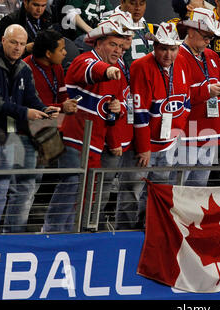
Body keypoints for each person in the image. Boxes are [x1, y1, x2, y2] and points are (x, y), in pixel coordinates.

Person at [43, 16, 134, 232]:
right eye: (113, 44)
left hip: (95, 144)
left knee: (87, 194)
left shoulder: (117, 68)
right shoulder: (84, 59)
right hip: (75, 141)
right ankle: (50, 233)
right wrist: (107, 72)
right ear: (98, 42)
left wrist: (118, 110)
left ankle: (71, 236)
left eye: (121, 47)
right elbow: (92, 70)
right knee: (72, 186)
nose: (118, 50)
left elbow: (110, 108)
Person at [115, 22, 191, 230]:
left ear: (178, 48)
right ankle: (125, 232)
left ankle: (150, 228)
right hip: (144, 144)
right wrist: (144, 147)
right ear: (154, 47)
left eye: (172, 49)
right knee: (131, 188)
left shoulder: (183, 62)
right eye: (163, 48)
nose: (168, 54)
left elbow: (187, 101)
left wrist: (177, 134)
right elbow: (139, 113)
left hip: (168, 143)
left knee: (159, 189)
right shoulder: (141, 66)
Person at [0, 24, 60, 233]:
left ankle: (9, 237)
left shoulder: (24, 68)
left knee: (10, 188)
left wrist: (44, 109)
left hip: (11, 135)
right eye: (13, 42)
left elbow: (32, 98)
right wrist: (26, 113)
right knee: (0, 188)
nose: (17, 47)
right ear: (3, 41)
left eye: (22, 44)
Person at [176, 7, 220, 186]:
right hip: (187, 133)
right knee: (178, 186)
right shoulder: (177, 56)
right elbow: (175, 95)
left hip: (210, 132)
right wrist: (207, 91)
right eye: (205, 35)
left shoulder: (212, 56)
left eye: (210, 37)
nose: (208, 40)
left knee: (199, 188)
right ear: (191, 31)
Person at [114, 0, 154, 67]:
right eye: (132, 3)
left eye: (142, 3)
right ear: (122, 2)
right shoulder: (109, 25)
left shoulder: (147, 26)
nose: (138, 8)